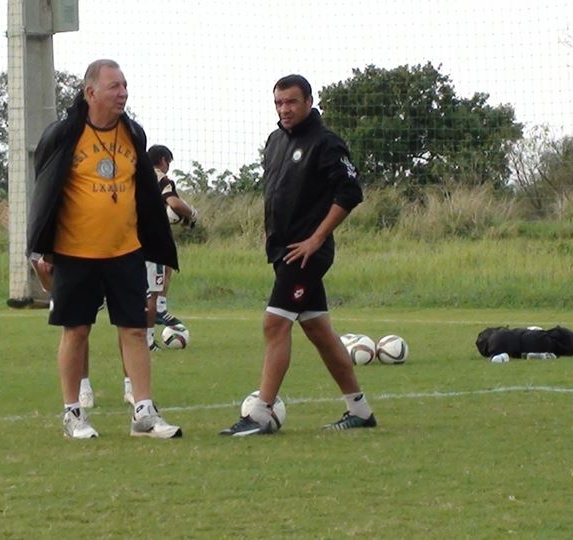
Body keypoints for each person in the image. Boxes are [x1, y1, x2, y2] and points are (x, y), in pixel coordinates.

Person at [27, 59, 183, 439]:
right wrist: (40, 251)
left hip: (125, 250)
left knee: (134, 328)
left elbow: (144, 193)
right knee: (76, 330)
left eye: (125, 86)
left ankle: (143, 413)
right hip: (75, 253)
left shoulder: (134, 134)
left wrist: (155, 244)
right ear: (90, 92)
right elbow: (44, 192)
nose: (123, 93)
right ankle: (73, 414)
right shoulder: (63, 134)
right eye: (115, 86)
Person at [220, 74, 376, 435]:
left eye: (291, 102)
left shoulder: (326, 143)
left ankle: (260, 414)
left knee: (275, 324)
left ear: (308, 101)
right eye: (278, 103)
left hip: (305, 255)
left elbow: (350, 192)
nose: (284, 109)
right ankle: (361, 410)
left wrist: (316, 239)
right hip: (282, 252)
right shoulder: (275, 141)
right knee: (320, 331)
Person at [146, 144, 196, 346]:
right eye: (169, 162)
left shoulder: (137, 175)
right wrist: (192, 212)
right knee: (151, 291)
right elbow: (174, 203)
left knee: (167, 267)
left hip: (131, 237)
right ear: (164, 160)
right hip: (150, 240)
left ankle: (160, 307)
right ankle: (148, 340)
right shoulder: (161, 179)